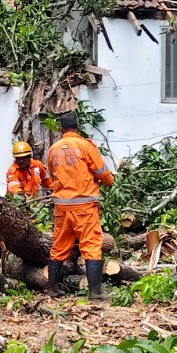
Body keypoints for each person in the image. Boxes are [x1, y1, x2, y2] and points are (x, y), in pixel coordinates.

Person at [44, 112, 115, 299]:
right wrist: (109, 181)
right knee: (91, 245)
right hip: (85, 206)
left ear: (61, 129)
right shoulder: (85, 146)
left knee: (59, 246)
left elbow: (52, 175)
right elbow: (102, 172)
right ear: (77, 126)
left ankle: (53, 289)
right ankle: (95, 293)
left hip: (61, 207)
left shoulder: (53, 149)